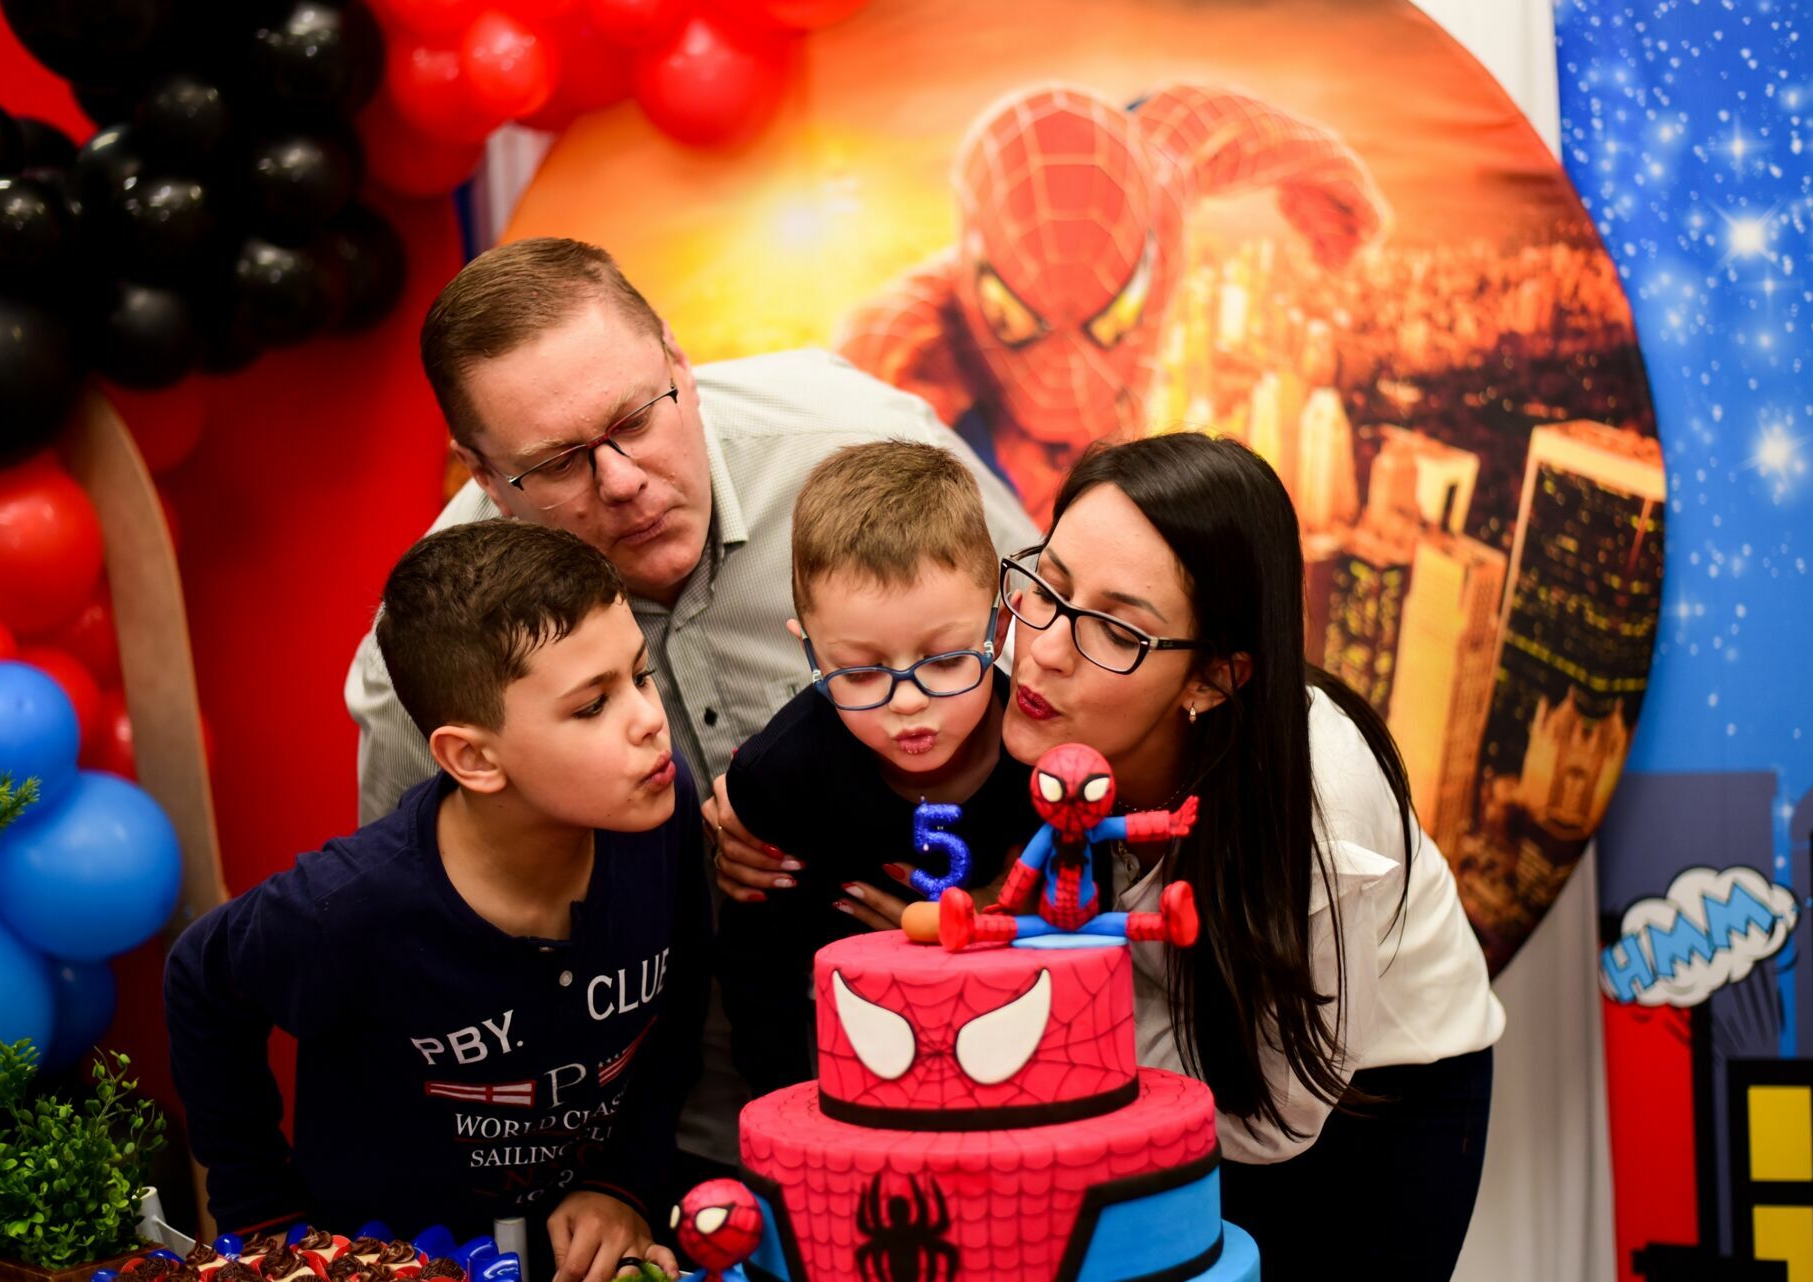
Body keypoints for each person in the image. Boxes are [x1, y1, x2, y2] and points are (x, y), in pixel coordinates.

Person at [715, 433, 1505, 1280]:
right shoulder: (1007, 684)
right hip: (1140, 1082)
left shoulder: (1321, 811)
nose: (1045, 647)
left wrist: (1012, 969)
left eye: (1117, 629)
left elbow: (1274, 1120)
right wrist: (752, 803)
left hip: (1363, 1102)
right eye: (1048, 589)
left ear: (1213, 678)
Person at [343, 236, 1037, 1169]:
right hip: (649, 1116)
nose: (623, 482)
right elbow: (412, 920)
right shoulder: (432, 648)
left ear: (679, 361)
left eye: (637, 416)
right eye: (557, 463)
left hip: (983, 1039)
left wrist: (1028, 900)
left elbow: (1068, 683)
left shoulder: (871, 446)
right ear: (479, 471)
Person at [169, 521, 710, 1282]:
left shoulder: (660, 809)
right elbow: (202, 979)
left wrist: (624, 1182)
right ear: (473, 758)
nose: (650, 719)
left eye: (640, 674)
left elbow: (677, 1009)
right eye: (592, 706)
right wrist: (264, 1227)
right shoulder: (347, 907)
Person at [715, 441, 1039, 1096]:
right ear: (809, 650)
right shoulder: (782, 778)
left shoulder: (1047, 755)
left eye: (946, 660)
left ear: (999, 627)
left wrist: (1006, 926)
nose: (909, 702)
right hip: (853, 1066)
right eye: (862, 672)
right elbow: (759, 981)